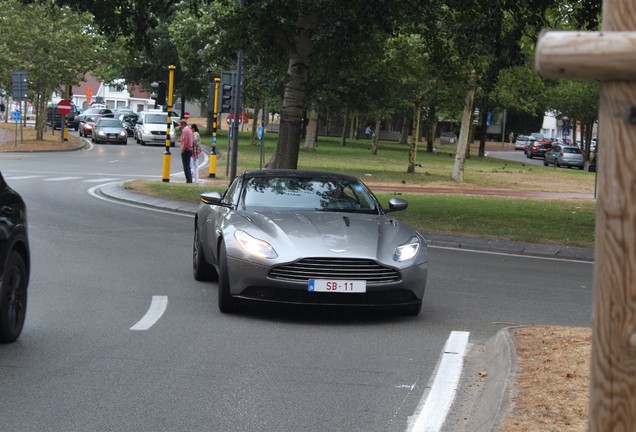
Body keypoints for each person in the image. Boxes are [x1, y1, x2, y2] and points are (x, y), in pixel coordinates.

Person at [178, 119, 193, 183]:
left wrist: (183, 149)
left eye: (181, 125)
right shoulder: (189, 130)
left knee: (186, 166)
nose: (180, 126)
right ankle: (189, 179)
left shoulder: (185, 131)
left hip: (186, 150)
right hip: (189, 149)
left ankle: (189, 180)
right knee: (187, 165)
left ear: (183, 124)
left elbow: (185, 141)